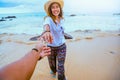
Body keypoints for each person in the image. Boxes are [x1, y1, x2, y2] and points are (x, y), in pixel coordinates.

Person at [40, 0, 67, 80]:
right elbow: (46, 25)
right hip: (50, 47)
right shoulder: (48, 19)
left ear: (60, 8)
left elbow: (61, 31)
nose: (55, 9)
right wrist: (47, 31)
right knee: (52, 67)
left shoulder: (61, 19)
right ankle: (53, 72)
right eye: (53, 7)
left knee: (61, 67)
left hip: (62, 46)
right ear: (50, 10)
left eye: (57, 7)